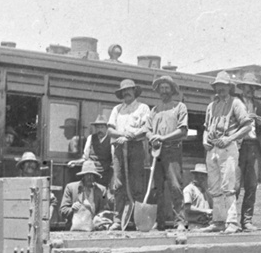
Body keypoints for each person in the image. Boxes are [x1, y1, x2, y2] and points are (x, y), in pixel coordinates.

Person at [202, 71, 251, 233]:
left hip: (228, 147)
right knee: (214, 187)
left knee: (228, 186)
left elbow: (247, 126)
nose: (220, 89)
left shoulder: (236, 103)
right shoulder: (211, 106)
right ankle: (218, 221)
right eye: (218, 86)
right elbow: (206, 128)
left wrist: (230, 139)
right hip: (212, 148)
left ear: (229, 87)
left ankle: (232, 222)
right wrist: (204, 140)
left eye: (223, 86)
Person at [106, 79, 150, 230]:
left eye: (129, 90)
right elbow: (110, 130)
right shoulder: (117, 109)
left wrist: (132, 135)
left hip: (136, 147)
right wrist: (123, 134)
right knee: (118, 184)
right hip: (119, 148)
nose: (126, 93)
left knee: (137, 183)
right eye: (124, 91)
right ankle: (117, 220)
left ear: (134, 91)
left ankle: (137, 220)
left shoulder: (142, 108)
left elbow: (146, 128)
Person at [146, 75, 188, 231]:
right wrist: (152, 138)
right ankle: (159, 221)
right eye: (161, 88)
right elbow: (147, 130)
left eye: (167, 88)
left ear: (172, 90)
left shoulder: (179, 107)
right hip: (156, 152)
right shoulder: (154, 110)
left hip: (172, 150)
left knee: (175, 186)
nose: (164, 91)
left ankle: (180, 221)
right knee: (157, 188)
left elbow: (182, 130)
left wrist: (163, 138)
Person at [235, 72, 261, 231]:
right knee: (235, 185)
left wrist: (258, 121)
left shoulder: (259, 106)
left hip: (255, 147)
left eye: (253, 87)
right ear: (242, 88)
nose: (250, 90)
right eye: (248, 87)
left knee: (252, 185)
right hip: (239, 147)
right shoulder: (235, 103)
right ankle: (231, 219)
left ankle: (246, 221)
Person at [59, 161, 108, 231]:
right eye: (87, 175)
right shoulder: (71, 188)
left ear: (95, 176)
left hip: (95, 229)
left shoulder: (102, 190)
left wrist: (98, 218)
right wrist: (72, 209)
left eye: (92, 175)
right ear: (83, 176)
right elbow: (63, 211)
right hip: (76, 228)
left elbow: (105, 210)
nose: (90, 178)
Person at [68, 114, 113, 190]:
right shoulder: (91, 138)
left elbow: (113, 161)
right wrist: (75, 162)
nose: (100, 130)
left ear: (107, 128)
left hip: (105, 174)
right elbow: (85, 158)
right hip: (91, 173)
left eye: (102, 127)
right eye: (98, 127)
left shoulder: (111, 140)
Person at [183, 163, 213, 228]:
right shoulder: (189, 189)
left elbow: (211, 207)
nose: (202, 177)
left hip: (207, 224)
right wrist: (205, 211)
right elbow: (187, 208)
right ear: (195, 175)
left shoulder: (206, 192)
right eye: (200, 175)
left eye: (204, 175)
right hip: (194, 225)